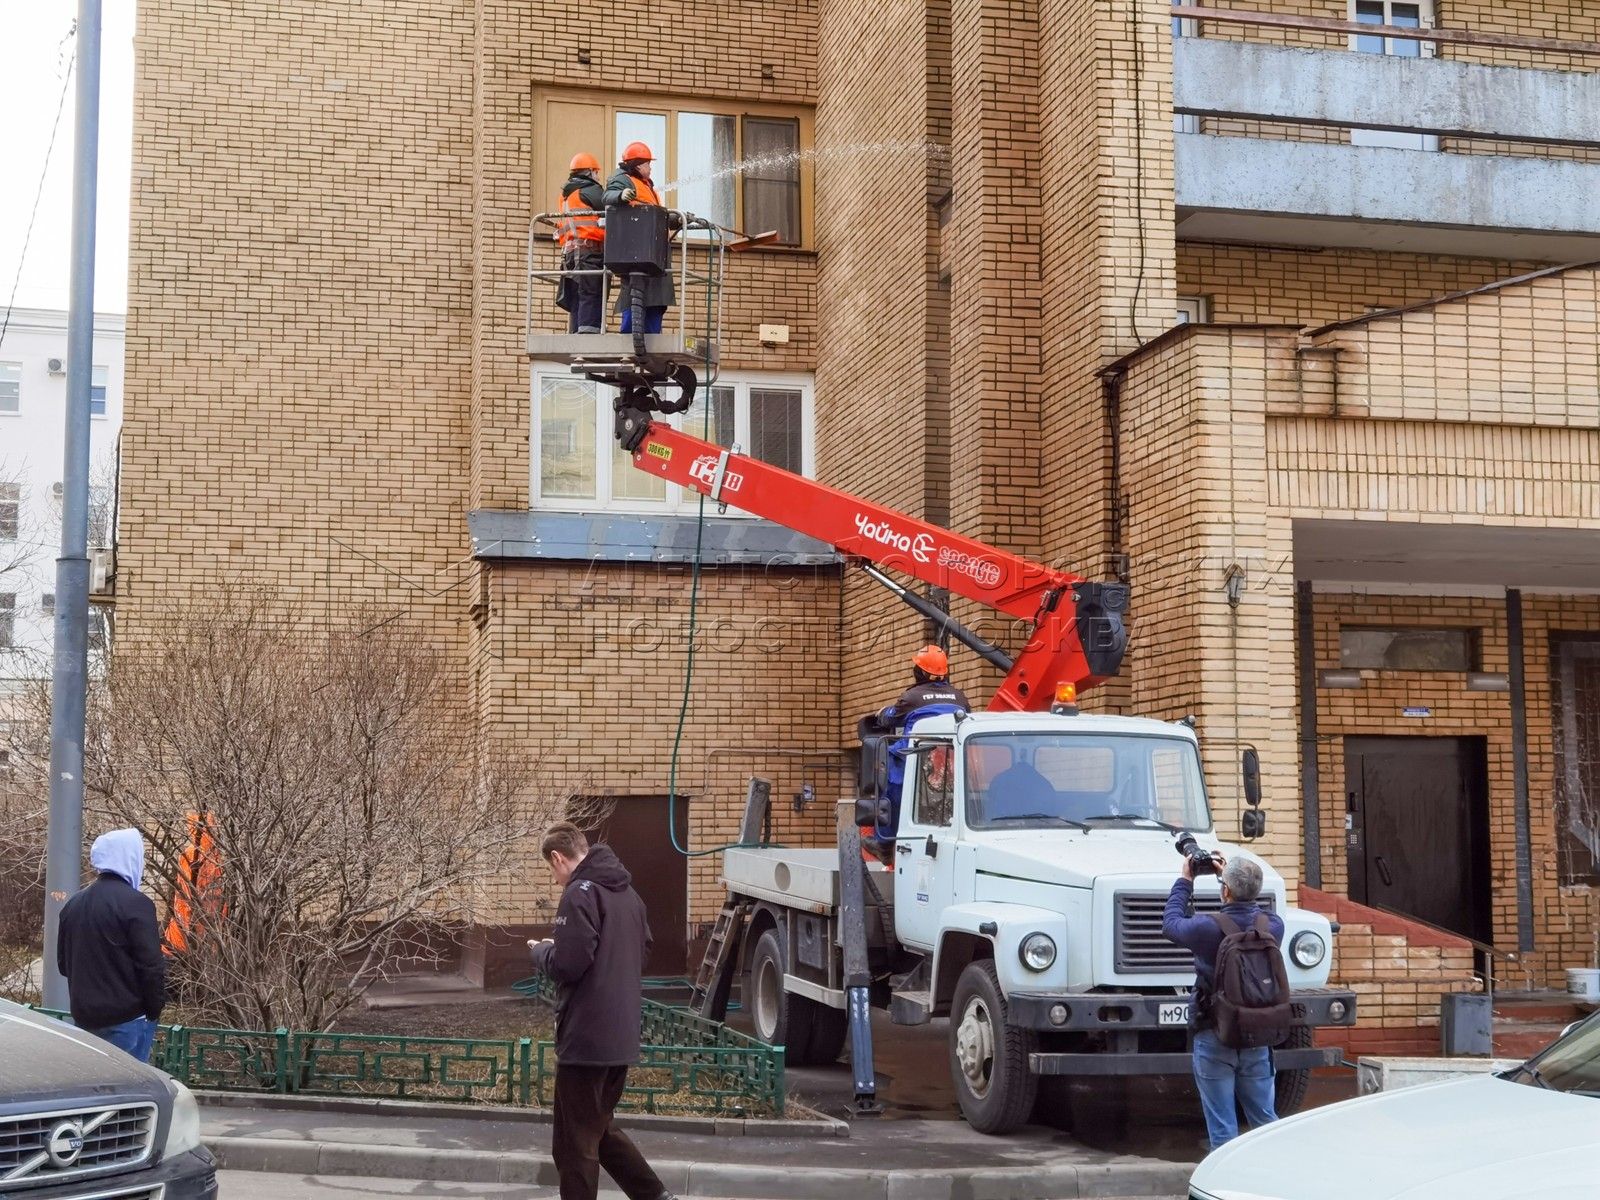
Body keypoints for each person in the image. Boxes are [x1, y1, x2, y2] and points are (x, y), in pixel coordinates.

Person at [527, 823, 676, 1200]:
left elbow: (568, 965)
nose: (555, 879)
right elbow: (640, 953)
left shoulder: (580, 893)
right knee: (597, 1129)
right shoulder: (629, 896)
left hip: (586, 1037)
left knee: (572, 1145)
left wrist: (540, 951)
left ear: (559, 858)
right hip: (620, 1035)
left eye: (552, 870)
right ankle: (655, 1196)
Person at [1162, 853, 1285, 1150]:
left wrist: (1186, 878)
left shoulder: (1206, 928)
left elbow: (1170, 923)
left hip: (1215, 1034)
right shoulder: (1273, 926)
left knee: (1222, 1128)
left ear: (1224, 889)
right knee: (1265, 1120)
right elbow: (1249, 906)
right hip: (1258, 1035)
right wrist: (1234, 873)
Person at [56, 828, 166, 1062]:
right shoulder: (137, 904)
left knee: (93, 1086)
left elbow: (63, 965)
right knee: (130, 1090)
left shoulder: (73, 904)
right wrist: (154, 1011)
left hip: (85, 1017)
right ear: (130, 858)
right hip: (127, 1019)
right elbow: (152, 967)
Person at [603, 142, 675, 335]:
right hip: (638, 253)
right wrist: (620, 195)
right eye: (648, 164)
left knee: (656, 300)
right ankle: (629, 340)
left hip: (653, 253)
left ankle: (652, 338)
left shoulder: (647, 185)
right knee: (635, 299)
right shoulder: (623, 180)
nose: (650, 168)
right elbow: (607, 196)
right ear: (638, 165)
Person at [556, 152, 606, 333]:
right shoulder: (591, 190)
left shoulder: (566, 195)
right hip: (589, 251)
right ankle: (588, 335)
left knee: (578, 294)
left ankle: (577, 333)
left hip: (570, 253)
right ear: (589, 172)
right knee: (591, 293)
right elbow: (609, 205)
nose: (598, 177)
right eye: (596, 172)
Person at [876, 644, 970, 731]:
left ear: (921, 672)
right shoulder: (960, 698)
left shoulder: (911, 697)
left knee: (880, 746)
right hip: (953, 748)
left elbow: (890, 718)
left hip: (915, 748)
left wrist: (882, 713)